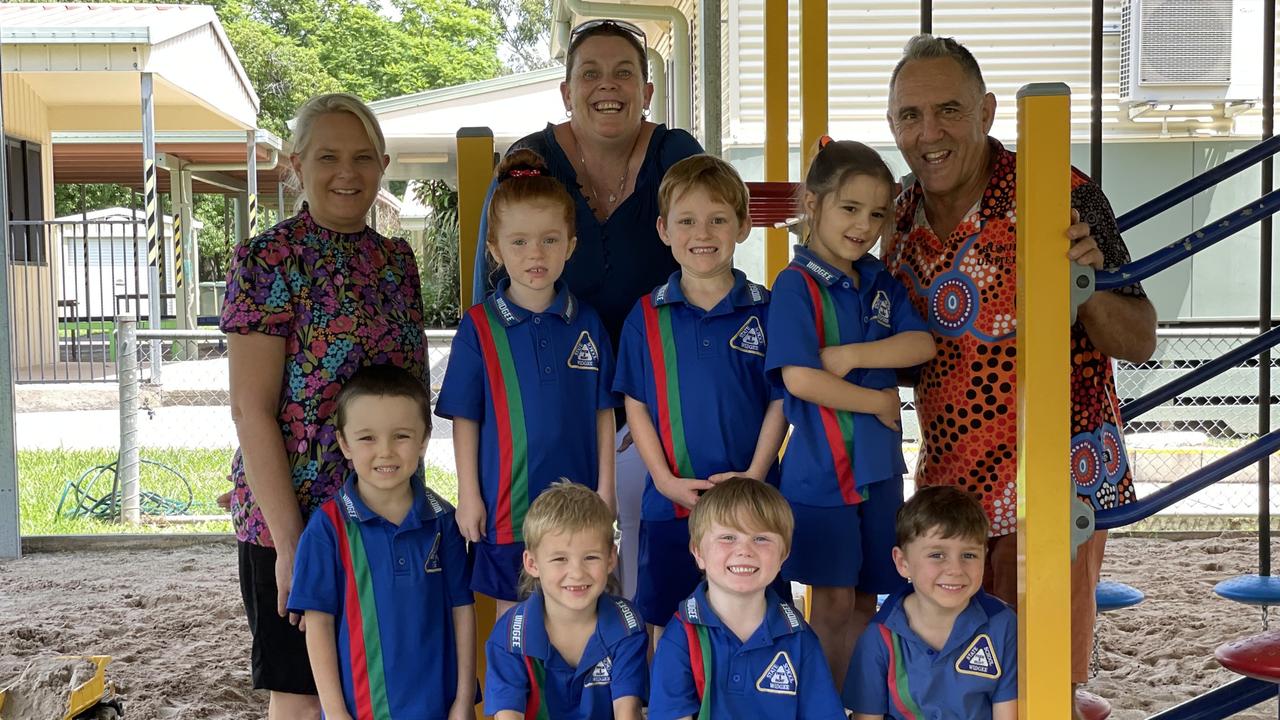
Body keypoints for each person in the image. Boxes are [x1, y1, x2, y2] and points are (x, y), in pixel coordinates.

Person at [881, 34, 1158, 708]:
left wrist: (1084, 282)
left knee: (1040, 681)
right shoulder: (893, 213)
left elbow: (1141, 338)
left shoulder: (1058, 190)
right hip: (953, 490)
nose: (929, 133)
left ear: (988, 111)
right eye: (910, 116)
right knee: (959, 680)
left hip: (1058, 480)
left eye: (949, 110)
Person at [470, 18, 704, 600]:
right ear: (566, 91)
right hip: (560, 414)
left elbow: (707, 256)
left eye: (625, 72)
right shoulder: (531, 164)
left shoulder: (675, 155)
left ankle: (638, 690)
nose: (609, 86)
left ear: (647, 92)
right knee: (553, 575)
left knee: (642, 572)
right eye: (590, 73)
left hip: (656, 408)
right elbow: (489, 294)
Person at [221, 92, 427, 719]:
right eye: (329, 157)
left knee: (381, 683)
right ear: (295, 165)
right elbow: (251, 409)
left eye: (363, 157)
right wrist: (291, 544)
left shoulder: (396, 262)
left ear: (383, 165)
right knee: (305, 697)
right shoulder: (268, 259)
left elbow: (411, 397)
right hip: (298, 516)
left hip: (385, 512)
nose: (347, 172)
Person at [764, 138, 937, 688]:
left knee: (868, 596)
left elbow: (922, 345)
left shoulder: (881, 281)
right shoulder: (796, 286)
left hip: (880, 471)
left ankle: (858, 702)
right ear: (812, 204)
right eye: (850, 208)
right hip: (822, 474)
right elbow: (799, 378)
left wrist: (853, 356)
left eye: (879, 214)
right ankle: (823, 704)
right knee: (832, 601)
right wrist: (877, 400)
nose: (864, 226)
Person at [437, 150, 620, 621]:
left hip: (578, 506)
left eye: (549, 240)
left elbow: (603, 413)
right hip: (506, 506)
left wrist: (606, 490)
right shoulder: (479, 329)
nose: (535, 254)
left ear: (570, 245)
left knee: (581, 613)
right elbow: (465, 418)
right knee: (513, 620)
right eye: (518, 242)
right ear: (495, 249)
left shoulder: (588, 324)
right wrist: (469, 495)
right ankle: (512, 699)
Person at [613, 154, 789, 639]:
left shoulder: (769, 309)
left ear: (744, 226)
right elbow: (637, 406)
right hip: (672, 507)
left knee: (757, 626)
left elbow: (781, 400)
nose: (702, 233)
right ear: (664, 230)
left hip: (754, 507)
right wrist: (665, 480)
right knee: (664, 625)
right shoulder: (646, 316)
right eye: (686, 221)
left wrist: (754, 476)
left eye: (717, 219)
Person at [287, 365, 475, 720]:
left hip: (438, 708)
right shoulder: (327, 529)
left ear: (423, 439)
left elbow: (462, 611)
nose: (386, 451)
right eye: (368, 438)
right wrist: (336, 712)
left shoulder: (443, 521)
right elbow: (318, 626)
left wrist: (463, 699)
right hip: (361, 712)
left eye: (401, 436)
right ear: (344, 443)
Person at [647, 477, 847, 720]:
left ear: (783, 556)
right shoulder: (680, 637)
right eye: (728, 537)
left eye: (761, 538)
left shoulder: (799, 638)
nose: (744, 550)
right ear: (698, 552)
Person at [843, 486, 1017, 720]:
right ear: (902, 562)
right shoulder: (879, 637)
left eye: (969, 555)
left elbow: (1007, 715)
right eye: (937, 555)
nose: (955, 569)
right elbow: (867, 717)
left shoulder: (1003, 625)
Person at [484, 482, 648, 720]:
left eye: (590, 557)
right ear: (532, 564)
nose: (577, 572)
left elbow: (627, 712)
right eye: (560, 559)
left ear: (611, 558)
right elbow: (508, 714)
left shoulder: (626, 625)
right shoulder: (509, 636)